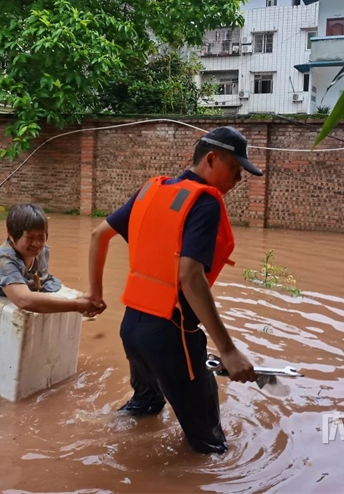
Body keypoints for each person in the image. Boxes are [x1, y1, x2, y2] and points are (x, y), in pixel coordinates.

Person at [87, 126, 264, 454]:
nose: (239, 179)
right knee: (210, 445)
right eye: (236, 169)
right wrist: (227, 349)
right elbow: (190, 277)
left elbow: (99, 235)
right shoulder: (205, 203)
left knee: (145, 406)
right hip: (172, 333)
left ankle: (97, 440)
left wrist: (95, 295)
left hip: (132, 328)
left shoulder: (152, 190)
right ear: (211, 159)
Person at [0, 204, 104, 316]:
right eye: (30, 237)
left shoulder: (42, 251)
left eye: (41, 236)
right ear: (11, 236)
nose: (37, 243)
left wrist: (85, 300)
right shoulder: (4, 259)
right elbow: (24, 300)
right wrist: (77, 305)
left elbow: (40, 284)